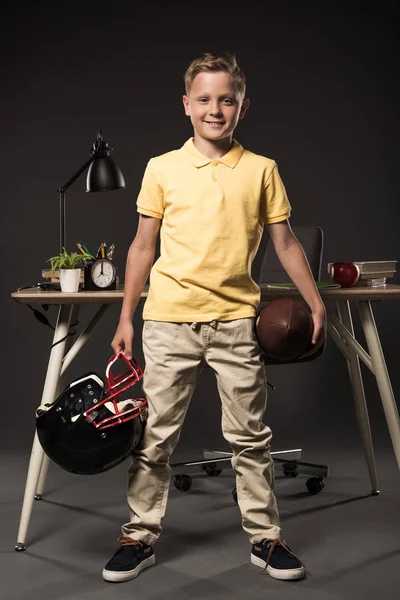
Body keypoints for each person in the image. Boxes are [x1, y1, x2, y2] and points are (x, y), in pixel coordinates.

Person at [104, 52, 327, 584]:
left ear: (243, 107)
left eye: (226, 99)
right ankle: (138, 535)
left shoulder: (261, 169)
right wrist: (126, 318)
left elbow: (286, 243)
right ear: (186, 106)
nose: (215, 109)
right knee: (154, 436)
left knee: (251, 437)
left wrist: (316, 300)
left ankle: (265, 539)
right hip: (169, 321)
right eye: (204, 99)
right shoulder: (162, 167)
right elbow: (141, 246)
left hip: (234, 322)